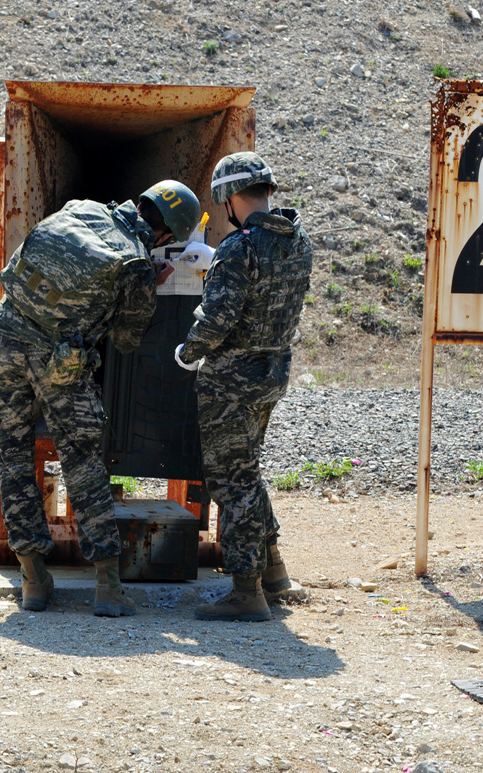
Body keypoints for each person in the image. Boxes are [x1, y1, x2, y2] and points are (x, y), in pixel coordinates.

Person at [0, 180, 202, 617]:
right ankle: (108, 583)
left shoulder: (81, 206)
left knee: (13, 456)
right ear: (165, 237)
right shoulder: (138, 263)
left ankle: (33, 580)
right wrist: (147, 289)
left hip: (4, 337)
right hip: (60, 361)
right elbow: (126, 339)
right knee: (83, 463)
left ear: (143, 202)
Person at [173, 153, 313, 622]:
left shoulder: (240, 248)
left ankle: (245, 590)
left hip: (230, 383)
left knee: (232, 483)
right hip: (271, 374)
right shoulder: (299, 241)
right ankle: (272, 571)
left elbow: (216, 321)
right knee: (248, 471)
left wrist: (187, 350)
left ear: (229, 198)